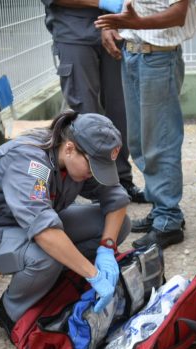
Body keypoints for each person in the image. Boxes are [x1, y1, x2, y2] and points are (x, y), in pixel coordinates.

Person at [0, 111, 131, 340]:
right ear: (69, 148)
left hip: (31, 223)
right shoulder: (31, 163)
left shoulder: (76, 158)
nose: (94, 174)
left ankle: (56, 283)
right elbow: (44, 231)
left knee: (119, 225)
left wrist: (107, 248)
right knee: (45, 256)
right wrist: (93, 274)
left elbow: (116, 198)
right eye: (93, 167)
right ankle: (11, 312)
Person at [95, 0, 196, 249]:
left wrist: (135, 23)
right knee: (139, 142)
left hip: (159, 57)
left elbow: (178, 14)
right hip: (133, 52)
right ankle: (160, 207)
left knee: (160, 142)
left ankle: (169, 220)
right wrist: (112, 25)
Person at [40, 0, 147, 203]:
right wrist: (103, 2)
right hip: (74, 32)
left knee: (120, 109)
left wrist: (111, 19)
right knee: (84, 116)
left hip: (116, 28)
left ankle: (121, 180)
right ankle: (97, 189)